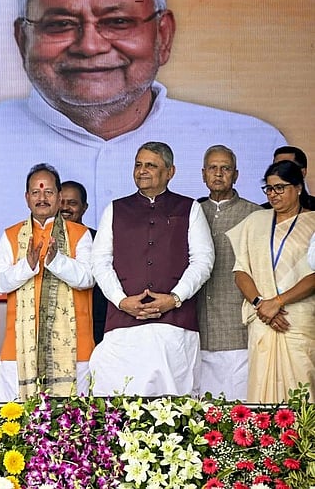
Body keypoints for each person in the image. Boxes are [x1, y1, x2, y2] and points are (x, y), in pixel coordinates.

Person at [0, 0, 285, 256]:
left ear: (163, 35)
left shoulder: (252, 144)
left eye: (118, 22)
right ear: (22, 39)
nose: (89, 45)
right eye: (60, 25)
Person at [90, 142, 214, 397]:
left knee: (174, 404)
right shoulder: (115, 209)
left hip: (174, 324)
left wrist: (175, 298)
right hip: (124, 324)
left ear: (170, 172)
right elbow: (100, 261)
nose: (142, 171)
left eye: (151, 165)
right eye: (138, 165)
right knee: (120, 400)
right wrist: (121, 301)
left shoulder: (189, 208)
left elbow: (203, 260)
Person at [0, 164, 95, 401]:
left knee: (72, 418)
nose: (42, 198)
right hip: (18, 350)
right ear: (27, 197)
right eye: (36, 192)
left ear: (59, 196)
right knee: (15, 419)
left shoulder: (80, 234)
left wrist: (57, 261)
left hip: (74, 349)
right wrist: (26, 266)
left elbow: (88, 278)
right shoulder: (11, 235)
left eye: (48, 192)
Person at [227, 160, 315, 403]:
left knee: (302, 393)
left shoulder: (313, 222)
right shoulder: (256, 221)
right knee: (260, 394)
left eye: (280, 188)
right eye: (269, 188)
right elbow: (240, 271)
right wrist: (261, 304)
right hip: (262, 318)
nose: (273, 194)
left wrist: (277, 302)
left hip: (297, 320)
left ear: (298, 188)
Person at [194, 145, 261, 400]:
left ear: (236, 174)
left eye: (226, 168)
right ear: (203, 174)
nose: (218, 174)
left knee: (240, 406)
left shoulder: (255, 214)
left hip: (237, 327)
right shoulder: (191, 213)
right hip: (196, 326)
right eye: (213, 168)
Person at [59, 180, 108, 344]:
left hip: (93, 323)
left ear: (84, 207)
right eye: (61, 202)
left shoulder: (99, 239)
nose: (65, 208)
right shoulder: (41, 238)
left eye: (72, 203)